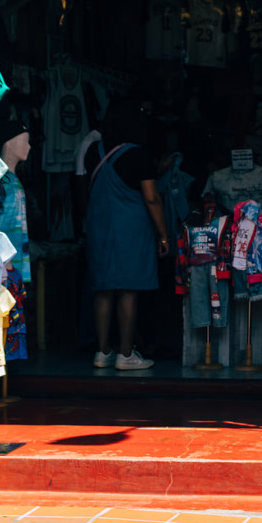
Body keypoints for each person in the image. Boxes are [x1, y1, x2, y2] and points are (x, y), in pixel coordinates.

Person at [83, 99, 170, 371]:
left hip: (99, 227)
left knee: (103, 290)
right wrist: (164, 236)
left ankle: (102, 352)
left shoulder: (92, 153)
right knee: (128, 290)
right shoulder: (138, 155)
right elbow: (152, 199)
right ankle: (125, 353)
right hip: (131, 230)